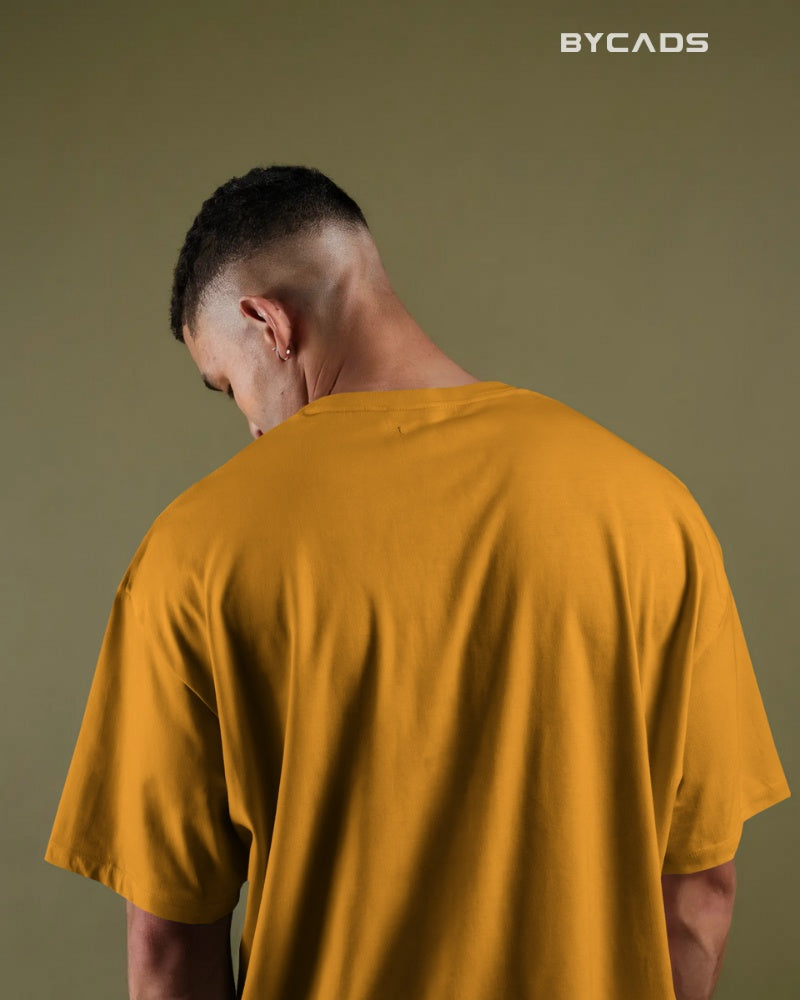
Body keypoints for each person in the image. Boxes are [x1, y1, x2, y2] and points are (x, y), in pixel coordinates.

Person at [44, 164, 790, 1000]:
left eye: (229, 387)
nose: (251, 427)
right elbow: (700, 891)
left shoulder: (191, 551)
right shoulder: (654, 512)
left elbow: (166, 942)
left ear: (268, 323)